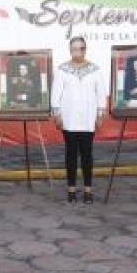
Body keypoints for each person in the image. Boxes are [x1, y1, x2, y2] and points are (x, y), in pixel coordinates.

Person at [51, 36, 106, 204]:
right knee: (71, 155)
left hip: (88, 120)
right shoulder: (62, 70)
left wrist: (100, 114)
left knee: (87, 155)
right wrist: (57, 115)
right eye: (74, 49)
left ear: (85, 49)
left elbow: (100, 93)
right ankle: (71, 190)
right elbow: (56, 94)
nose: (77, 52)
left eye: (80, 48)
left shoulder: (95, 70)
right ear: (70, 50)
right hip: (69, 119)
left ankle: (88, 190)